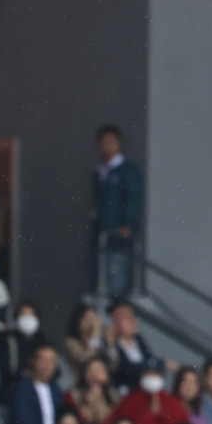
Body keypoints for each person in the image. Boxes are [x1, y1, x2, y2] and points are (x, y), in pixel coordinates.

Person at [91, 124, 142, 298]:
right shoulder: (100, 171)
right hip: (101, 233)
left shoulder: (127, 171)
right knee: (100, 274)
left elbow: (133, 198)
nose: (107, 146)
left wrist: (127, 224)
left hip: (118, 235)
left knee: (116, 274)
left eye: (111, 142)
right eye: (104, 142)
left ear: (118, 143)